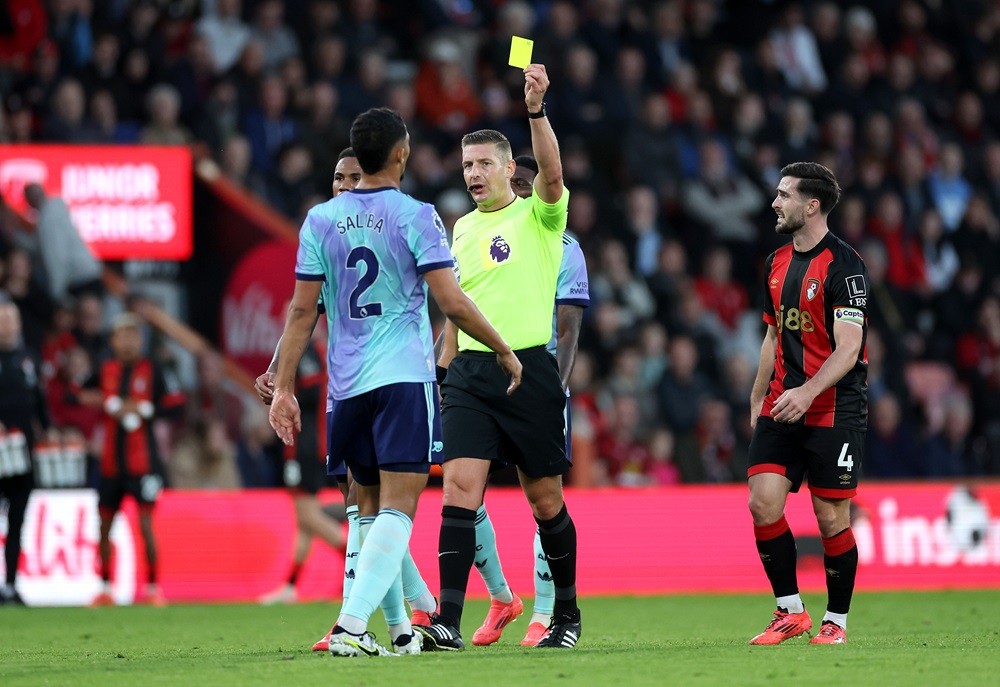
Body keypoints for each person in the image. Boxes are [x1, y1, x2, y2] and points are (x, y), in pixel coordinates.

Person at [268, 107, 521, 658]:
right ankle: (352, 627)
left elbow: (300, 312)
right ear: (402, 154)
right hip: (403, 380)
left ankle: (402, 631)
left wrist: (284, 387)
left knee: (366, 507)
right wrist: (502, 348)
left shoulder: (319, 220)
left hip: (345, 387)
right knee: (398, 510)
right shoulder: (417, 215)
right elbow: (450, 300)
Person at [420, 63, 582, 651]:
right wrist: (442, 372)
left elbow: (556, 173)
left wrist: (536, 110)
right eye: (467, 165)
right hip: (468, 372)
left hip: (530, 371)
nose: (474, 174)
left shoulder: (540, 215)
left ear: (510, 168)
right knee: (459, 490)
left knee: (545, 500)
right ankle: (448, 621)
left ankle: (565, 613)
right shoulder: (457, 229)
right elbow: (456, 309)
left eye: (484, 163)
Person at [256, 148, 440, 649]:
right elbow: (304, 311)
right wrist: (279, 372)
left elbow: (303, 312)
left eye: (353, 177)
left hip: (365, 387)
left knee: (374, 510)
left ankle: (384, 623)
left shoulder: (336, 230)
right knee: (371, 509)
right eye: (337, 177)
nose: (343, 185)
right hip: (355, 389)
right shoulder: (334, 235)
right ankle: (398, 623)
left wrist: (282, 376)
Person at [467, 153, 590, 647]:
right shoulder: (476, 233)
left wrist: (555, 391)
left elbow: (569, 326)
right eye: (513, 181)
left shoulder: (562, 245)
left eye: (524, 183)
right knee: (463, 492)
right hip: (478, 382)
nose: (517, 191)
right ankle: (501, 597)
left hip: (537, 384)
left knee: (542, 498)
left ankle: (545, 614)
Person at [747, 162, 869, 646]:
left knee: (830, 518)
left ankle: (835, 621)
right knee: (762, 504)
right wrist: (759, 393)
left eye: (783, 195)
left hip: (833, 408)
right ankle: (790, 611)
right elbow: (773, 332)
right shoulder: (775, 262)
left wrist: (807, 392)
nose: (775, 203)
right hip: (782, 403)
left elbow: (849, 347)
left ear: (811, 205)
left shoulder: (844, 265)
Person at [90, 313, 186, 607]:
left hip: (143, 464)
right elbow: (76, 394)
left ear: (140, 339)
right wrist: (105, 403)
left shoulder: (154, 369)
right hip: (110, 463)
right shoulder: (104, 369)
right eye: (123, 335)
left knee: (145, 525)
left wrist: (147, 410)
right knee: (104, 526)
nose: (129, 340)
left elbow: (176, 405)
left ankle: (154, 588)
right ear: (113, 340)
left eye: (134, 334)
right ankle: (105, 587)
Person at [0, 301, 52, 606]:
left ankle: (10, 585)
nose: (7, 325)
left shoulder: (28, 359)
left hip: (23, 455)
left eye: (11, 319)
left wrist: (49, 429)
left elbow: (40, 405)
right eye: (3, 320)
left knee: (18, 520)